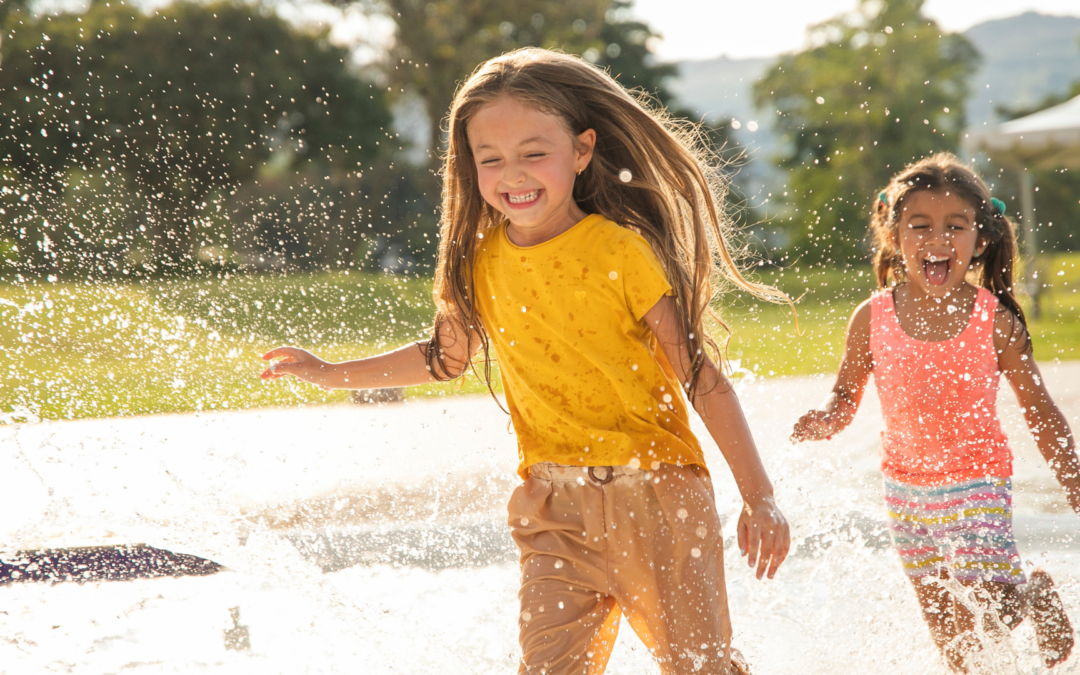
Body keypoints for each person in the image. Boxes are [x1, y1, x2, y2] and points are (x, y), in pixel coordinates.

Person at [261, 48, 790, 674]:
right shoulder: (478, 260)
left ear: (583, 151)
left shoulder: (619, 252)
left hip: (659, 501)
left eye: (534, 153)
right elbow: (443, 359)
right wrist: (329, 372)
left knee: (700, 668)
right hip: (551, 509)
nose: (514, 173)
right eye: (492, 159)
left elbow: (701, 378)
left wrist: (759, 497)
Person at [791, 153, 1079, 671]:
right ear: (893, 236)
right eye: (919, 226)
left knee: (994, 602)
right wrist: (826, 419)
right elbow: (845, 394)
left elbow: (1039, 408)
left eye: (955, 227)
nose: (937, 239)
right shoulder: (872, 316)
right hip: (905, 491)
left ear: (980, 239)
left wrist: (1073, 476)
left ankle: (1032, 595)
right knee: (952, 639)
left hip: (977, 480)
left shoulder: (994, 322)